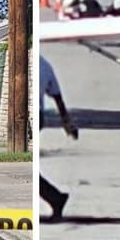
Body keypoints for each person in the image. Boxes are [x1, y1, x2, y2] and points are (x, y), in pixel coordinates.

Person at [39, 55, 78, 220]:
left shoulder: (40, 64)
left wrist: (68, 124)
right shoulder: (44, 64)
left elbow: (57, 97)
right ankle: (55, 198)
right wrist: (67, 123)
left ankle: (55, 198)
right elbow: (57, 97)